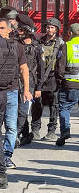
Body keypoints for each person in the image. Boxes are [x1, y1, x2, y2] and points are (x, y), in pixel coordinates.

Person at [0, 18, 32, 172]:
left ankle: (7, 155)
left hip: (12, 91)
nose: (0, 31)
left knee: (11, 126)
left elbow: (24, 69)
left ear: (9, 30)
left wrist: (26, 90)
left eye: (1, 28)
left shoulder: (17, 47)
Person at [31, 17, 64, 141]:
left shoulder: (60, 43)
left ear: (56, 29)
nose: (49, 29)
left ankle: (51, 131)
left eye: (52, 27)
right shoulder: (39, 41)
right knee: (37, 105)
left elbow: (62, 63)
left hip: (53, 77)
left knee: (53, 105)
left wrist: (61, 79)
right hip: (39, 77)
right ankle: (35, 130)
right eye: (47, 27)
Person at [15, 14, 43, 147]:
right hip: (15, 82)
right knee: (16, 110)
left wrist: (39, 88)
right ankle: (25, 134)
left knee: (23, 110)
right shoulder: (15, 44)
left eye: (20, 30)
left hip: (30, 83)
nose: (17, 32)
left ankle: (15, 134)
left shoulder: (37, 47)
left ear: (27, 31)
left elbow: (41, 68)